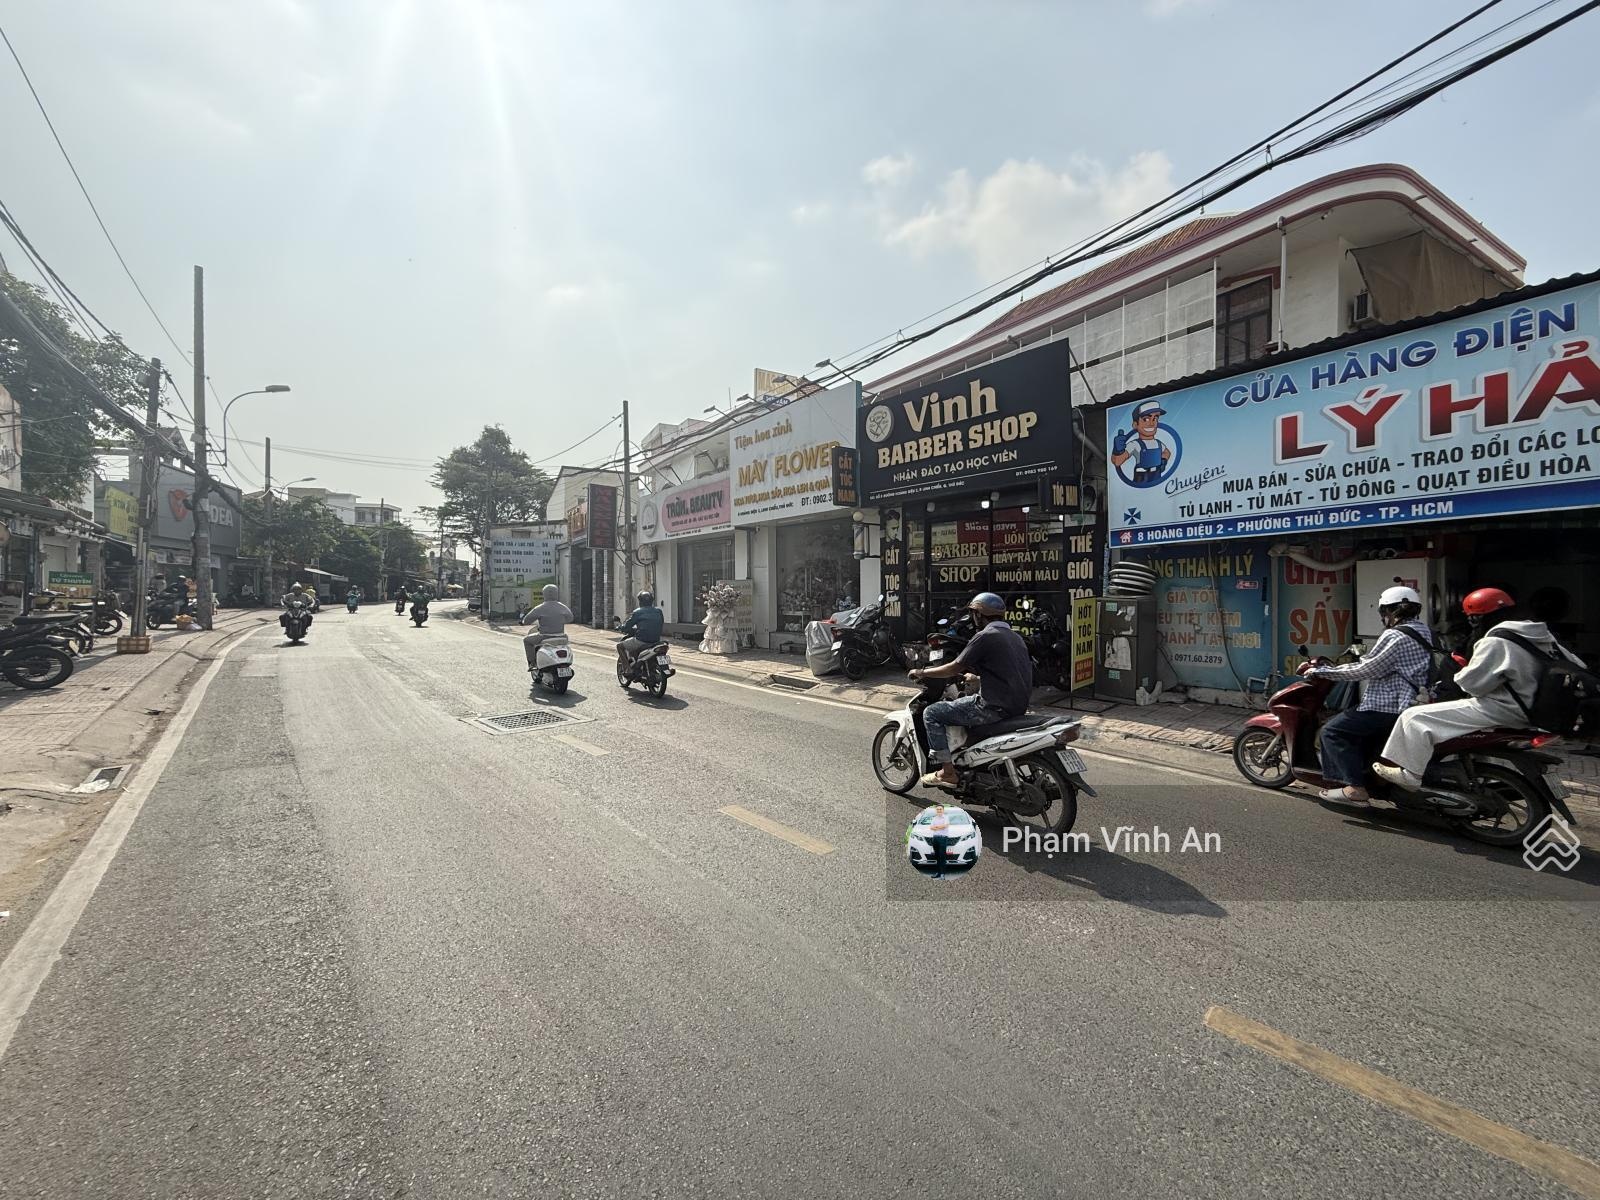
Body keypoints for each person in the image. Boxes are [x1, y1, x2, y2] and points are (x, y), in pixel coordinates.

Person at [1373, 588, 1584, 790]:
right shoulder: (1543, 637)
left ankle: (1410, 774)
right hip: (1536, 710)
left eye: (1471, 618)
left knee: (1413, 717)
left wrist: (1458, 674)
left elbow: (1473, 684)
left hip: (1505, 708)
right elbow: (1578, 666)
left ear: (1477, 618)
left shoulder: (1496, 640)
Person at [1304, 586, 1433, 809]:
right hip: (1415, 702)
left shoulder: (1395, 635)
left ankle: (1354, 788)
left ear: (1388, 611)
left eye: (1383, 612)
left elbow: (1367, 669)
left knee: (1332, 731)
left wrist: (1322, 672)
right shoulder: (1424, 631)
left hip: (1389, 705)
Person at [907, 592, 1033, 789]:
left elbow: (954, 668)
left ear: (979, 615)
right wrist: (979, 679)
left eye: (974, 613)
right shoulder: (1015, 637)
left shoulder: (985, 636)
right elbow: (1008, 672)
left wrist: (922, 672)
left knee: (931, 713)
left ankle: (948, 772)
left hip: (992, 708)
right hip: (1017, 706)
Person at [1110, 399, 1173, 485]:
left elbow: (1167, 453)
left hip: (1157, 478)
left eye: (1155, 419)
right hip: (1141, 479)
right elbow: (1117, 462)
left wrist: (1163, 460)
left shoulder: (1158, 443)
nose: (1151, 423)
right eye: (1146, 419)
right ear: (1135, 425)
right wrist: (1117, 451)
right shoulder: (1135, 444)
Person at [522, 584, 574, 674]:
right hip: (562, 636)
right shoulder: (563, 606)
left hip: (545, 637)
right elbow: (570, 618)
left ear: (544, 594)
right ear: (556, 594)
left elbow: (526, 620)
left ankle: (532, 664)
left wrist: (523, 622)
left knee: (526, 640)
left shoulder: (540, 608)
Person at [617, 590, 665, 671]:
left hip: (642, 641)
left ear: (640, 601)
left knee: (620, 646)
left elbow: (627, 626)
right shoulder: (659, 611)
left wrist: (620, 627)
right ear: (652, 601)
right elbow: (660, 623)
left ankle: (627, 669)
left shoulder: (638, 612)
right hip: (656, 641)